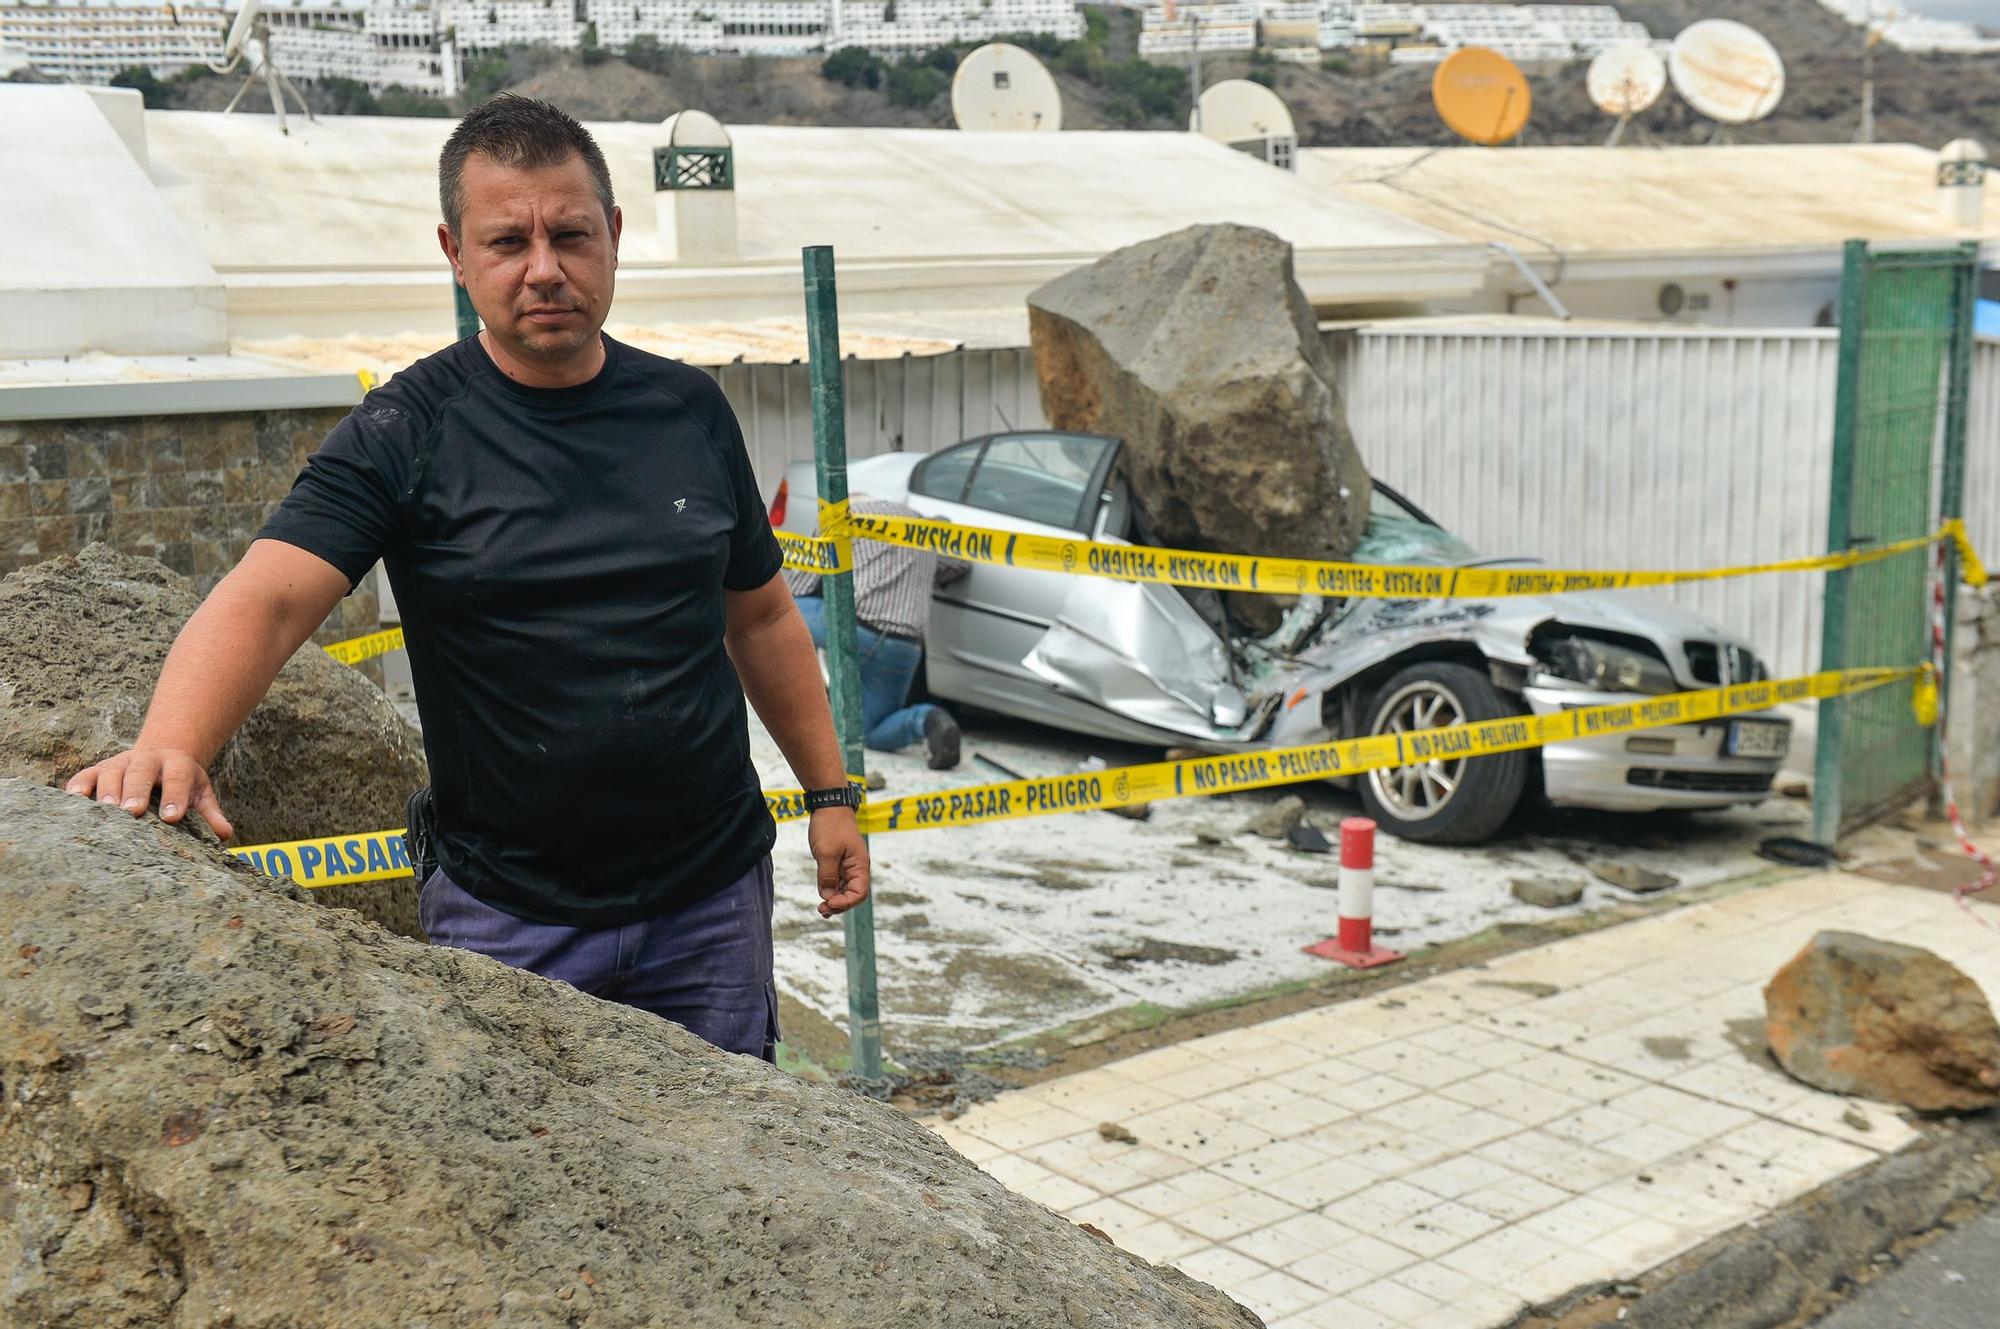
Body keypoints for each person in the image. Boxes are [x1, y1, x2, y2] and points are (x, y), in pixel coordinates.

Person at [62, 95, 867, 1064]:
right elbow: (268, 598)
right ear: (454, 252)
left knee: (737, 1175)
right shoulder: (405, 431)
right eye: (505, 242)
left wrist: (829, 797)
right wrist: (171, 744)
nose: (543, 269)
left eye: (570, 235)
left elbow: (764, 619)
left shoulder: (688, 409)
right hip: (509, 920)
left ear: (612, 235)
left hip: (710, 906)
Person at [783, 495, 968, 770]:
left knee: (784, 612)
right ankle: (929, 719)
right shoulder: (925, 527)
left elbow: (800, 584)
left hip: (856, 629)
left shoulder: (840, 516)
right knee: (872, 729)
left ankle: (801, 703)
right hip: (904, 647)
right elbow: (962, 564)